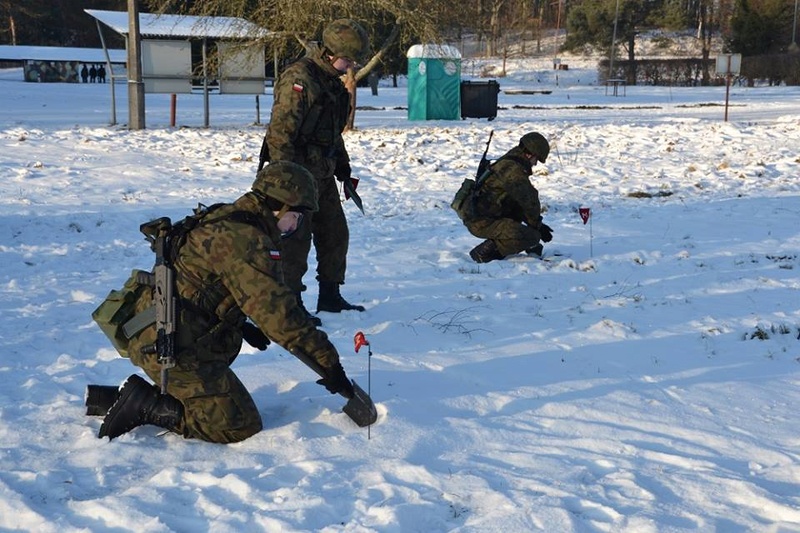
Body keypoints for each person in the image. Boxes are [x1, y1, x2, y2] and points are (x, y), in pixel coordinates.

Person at [91, 161, 360, 443]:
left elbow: (203, 285)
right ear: (279, 206)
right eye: (296, 217)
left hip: (160, 333)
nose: (295, 226)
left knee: (226, 347)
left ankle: (114, 397)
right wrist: (328, 363)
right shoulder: (246, 240)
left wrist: (240, 323)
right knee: (238, 424)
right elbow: (280, 315)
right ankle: (144, 404)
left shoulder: (228, 217)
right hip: (168, 346)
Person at [260, 19, 370, 326]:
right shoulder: (300, 79)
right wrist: (286, 185)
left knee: (335, 234)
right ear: (329, 52)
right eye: (347, 58)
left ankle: (330, 295)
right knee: (295, 242)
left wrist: (344, 169)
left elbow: (333, 134)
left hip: (321, 174)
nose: (350, 65)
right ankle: (291, 304)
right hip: (295, 177)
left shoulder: (332, 85)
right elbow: (280, 135)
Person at [453, 132, 554, 263]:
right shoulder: (513, 170)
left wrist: (536, 223)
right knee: (532, 236)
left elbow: (518, 204)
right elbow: (530, 201)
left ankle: (523, 242)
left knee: (519, 214)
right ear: (529, 154)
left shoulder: (509, 161)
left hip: (482, 215)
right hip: (481, 221)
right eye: (536, 160)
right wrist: (537, 226)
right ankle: (484, 253)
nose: (535, 164)